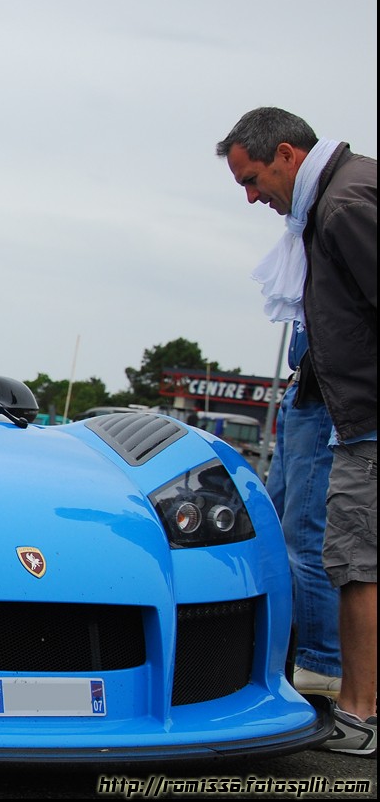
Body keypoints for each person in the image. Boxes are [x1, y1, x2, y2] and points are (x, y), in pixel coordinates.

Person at [217, 106, 376, 756]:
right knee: (309, 539)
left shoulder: (342, 207)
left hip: (357, 416)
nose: (253, 197)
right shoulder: (332, 201)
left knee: (341, 557)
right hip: (331, 402)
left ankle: (347, 701)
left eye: (252, 179)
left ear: (286, 154)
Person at [264, 321, 341, 700]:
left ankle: (322, 663)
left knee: (304, 536)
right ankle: (283, 650)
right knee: (269, 532)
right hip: (303, 390)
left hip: (323, 393)